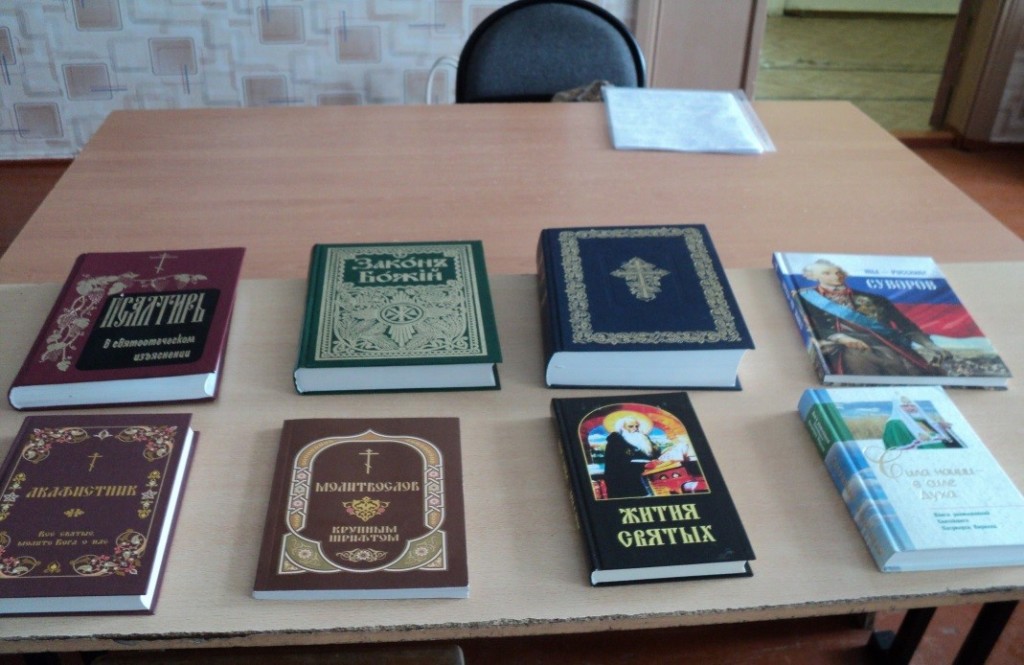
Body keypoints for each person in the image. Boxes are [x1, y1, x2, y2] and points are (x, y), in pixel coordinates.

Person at [798, 259, 948, 377]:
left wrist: (930, 345)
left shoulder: (876, 299)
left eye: (839, 272)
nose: (836, 276)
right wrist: (839, 337)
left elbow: (906, 326)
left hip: (890, 346)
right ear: (814, 276)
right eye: (827, 273)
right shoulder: (805, 297)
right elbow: (809, 328)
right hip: (846, 348)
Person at [602, 416, 660, 499]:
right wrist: (642, 465)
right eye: (630, 426)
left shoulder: (644, 438)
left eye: (637, 426)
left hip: (647, 475)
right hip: (624, 479)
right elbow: (614, 461)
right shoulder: (615, 440)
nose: (635, 429)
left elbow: (654, 454)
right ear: (623, 427)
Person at [882, 396, 964, 450]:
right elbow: (900, 445)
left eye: (912, 405)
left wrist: (943, 428)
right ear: (897, 408)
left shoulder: (920, 420)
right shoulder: (894, 423)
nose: (910, 408)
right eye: (905, 406)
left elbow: (943, 437)